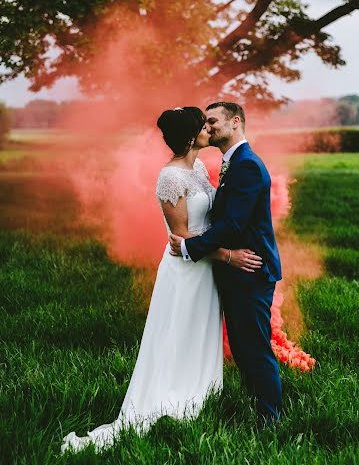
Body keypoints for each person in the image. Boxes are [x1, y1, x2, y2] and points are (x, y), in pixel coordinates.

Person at [61, 106, 261, 453]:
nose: (209, 130)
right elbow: (182, 240)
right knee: (179, 331)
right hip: (185, 271)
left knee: (201, 329)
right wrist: (229, 256)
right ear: (190, 136)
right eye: (203, 126)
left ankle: (202, 391)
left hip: (204, 270)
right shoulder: (169, 178)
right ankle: (171, 399)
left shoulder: (198, 168)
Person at [170, 102, 282, 425]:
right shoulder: (232, 163)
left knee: (254, 347)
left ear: (235, 122)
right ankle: (258, 407)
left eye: (213, 121)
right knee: (244, 345)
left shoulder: (246, 165)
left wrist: (191, 246)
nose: (208, 127)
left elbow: (232, 225)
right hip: (238, 271)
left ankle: (270, 420)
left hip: (251, 270)